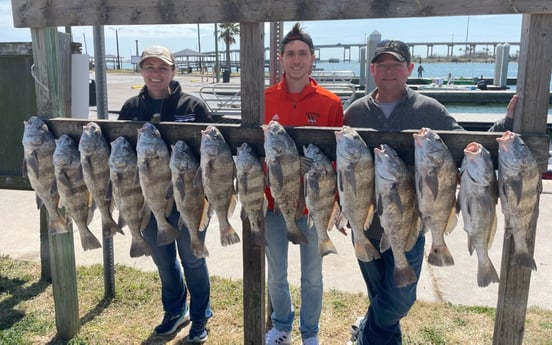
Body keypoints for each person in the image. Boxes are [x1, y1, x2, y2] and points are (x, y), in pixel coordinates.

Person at [344, 39, 514, 345]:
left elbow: (467, 147)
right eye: (381, 64)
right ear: (371, 70)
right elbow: (343, 168)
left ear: (409, 69)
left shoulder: (430, 110)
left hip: (412, 222)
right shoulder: (356, 112)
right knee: (381, 295)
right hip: (367, 224)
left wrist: (507, 121)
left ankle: (365, 332)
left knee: (397, 300)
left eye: (396, 64)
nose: (389, 70)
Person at [118, 45, 213, 343]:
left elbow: (212, 155)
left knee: (193, 257)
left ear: (173, 71)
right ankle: (175, 310)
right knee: (162, 258)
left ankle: (200, 316)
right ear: (142, 71)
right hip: (148, 198)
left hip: (189, 196)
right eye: (149, 67)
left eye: (162, 68)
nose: (155, 73)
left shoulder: (193, 107)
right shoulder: (131, 108)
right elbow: (116, 150)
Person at [264, 23, 344, 345]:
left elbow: (339, 161)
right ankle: (281, 325)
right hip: (272, 203)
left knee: (312, 276)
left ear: (312, 59)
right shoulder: (264, 98)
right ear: (280, 59)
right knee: (277, 275)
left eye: (303, 54)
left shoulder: (330, 103)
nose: (296, 60)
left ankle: (310, 333)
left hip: (313, 207)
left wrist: (334, 203)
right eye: (290, 54)